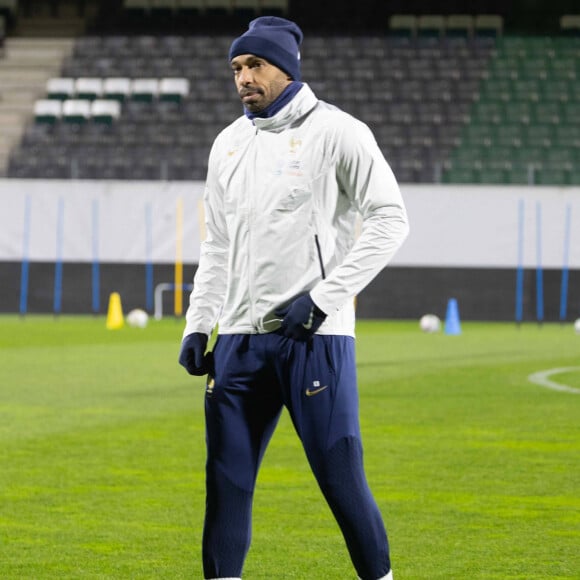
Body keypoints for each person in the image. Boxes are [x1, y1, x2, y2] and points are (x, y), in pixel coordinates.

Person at [179, 16, 409, 580]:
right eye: (236, 67)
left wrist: (326, 297)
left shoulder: (339, 132)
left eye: (254, 64)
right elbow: (217, 244)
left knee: (339, 477)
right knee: (226, 481)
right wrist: (197, 322)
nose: (243, 78)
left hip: (313, 339)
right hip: (235, 342)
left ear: (286, 65)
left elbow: (390, 220)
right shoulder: (228, 143)